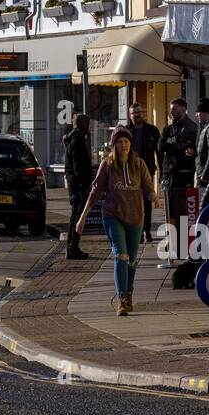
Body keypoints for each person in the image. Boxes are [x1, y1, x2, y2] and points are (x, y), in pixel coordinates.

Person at [77, 128, 156, 317]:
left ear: (131, 144)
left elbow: (147, 186)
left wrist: (153, 196)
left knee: (132, 260)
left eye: (126, 142)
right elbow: (95, 192)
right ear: (114, 145)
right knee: (121, 255)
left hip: (135, 217)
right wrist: (83, 217)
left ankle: (129, 295)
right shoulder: (108, 165)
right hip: (113, 216)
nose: (124, 145)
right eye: (120, 142)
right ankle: (122, 298)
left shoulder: (139, 164)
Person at [157, 98, 198, 264]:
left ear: (183, 109)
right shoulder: (168, 129)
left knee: (184, 213)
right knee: (170, 213)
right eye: (171, 109)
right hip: (169, 174)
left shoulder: (191, 127)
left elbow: (190, 144)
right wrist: (177, 143)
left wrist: (174, 144)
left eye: (175, 109)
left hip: (184, 175)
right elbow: (161, 147)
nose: (172, 112)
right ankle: (173, 246)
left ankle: (183, 247)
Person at [127, 101, 161, 243]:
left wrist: (162, 171)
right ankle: (137, 232)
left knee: (147, 202)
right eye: (134, 113)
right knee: (134, 203)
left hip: (147, 171)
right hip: (130, 172)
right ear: (130, 115)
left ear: (144, 113)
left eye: (139, 112)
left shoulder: (152, 130)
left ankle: (147, 231)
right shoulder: (126, 131)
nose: (137, 115)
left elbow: (159, 153)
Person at [62, 113, 94, 260]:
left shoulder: (74, 139)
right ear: (83, 125)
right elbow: (78, 167)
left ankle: (72, 247)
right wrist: (84, 184)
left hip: (75, 184)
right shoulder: (78, 141)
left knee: (76, 216)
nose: (90, 127)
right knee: (76, 217)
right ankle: (72, 248)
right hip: (78, 186)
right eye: (88, 124)